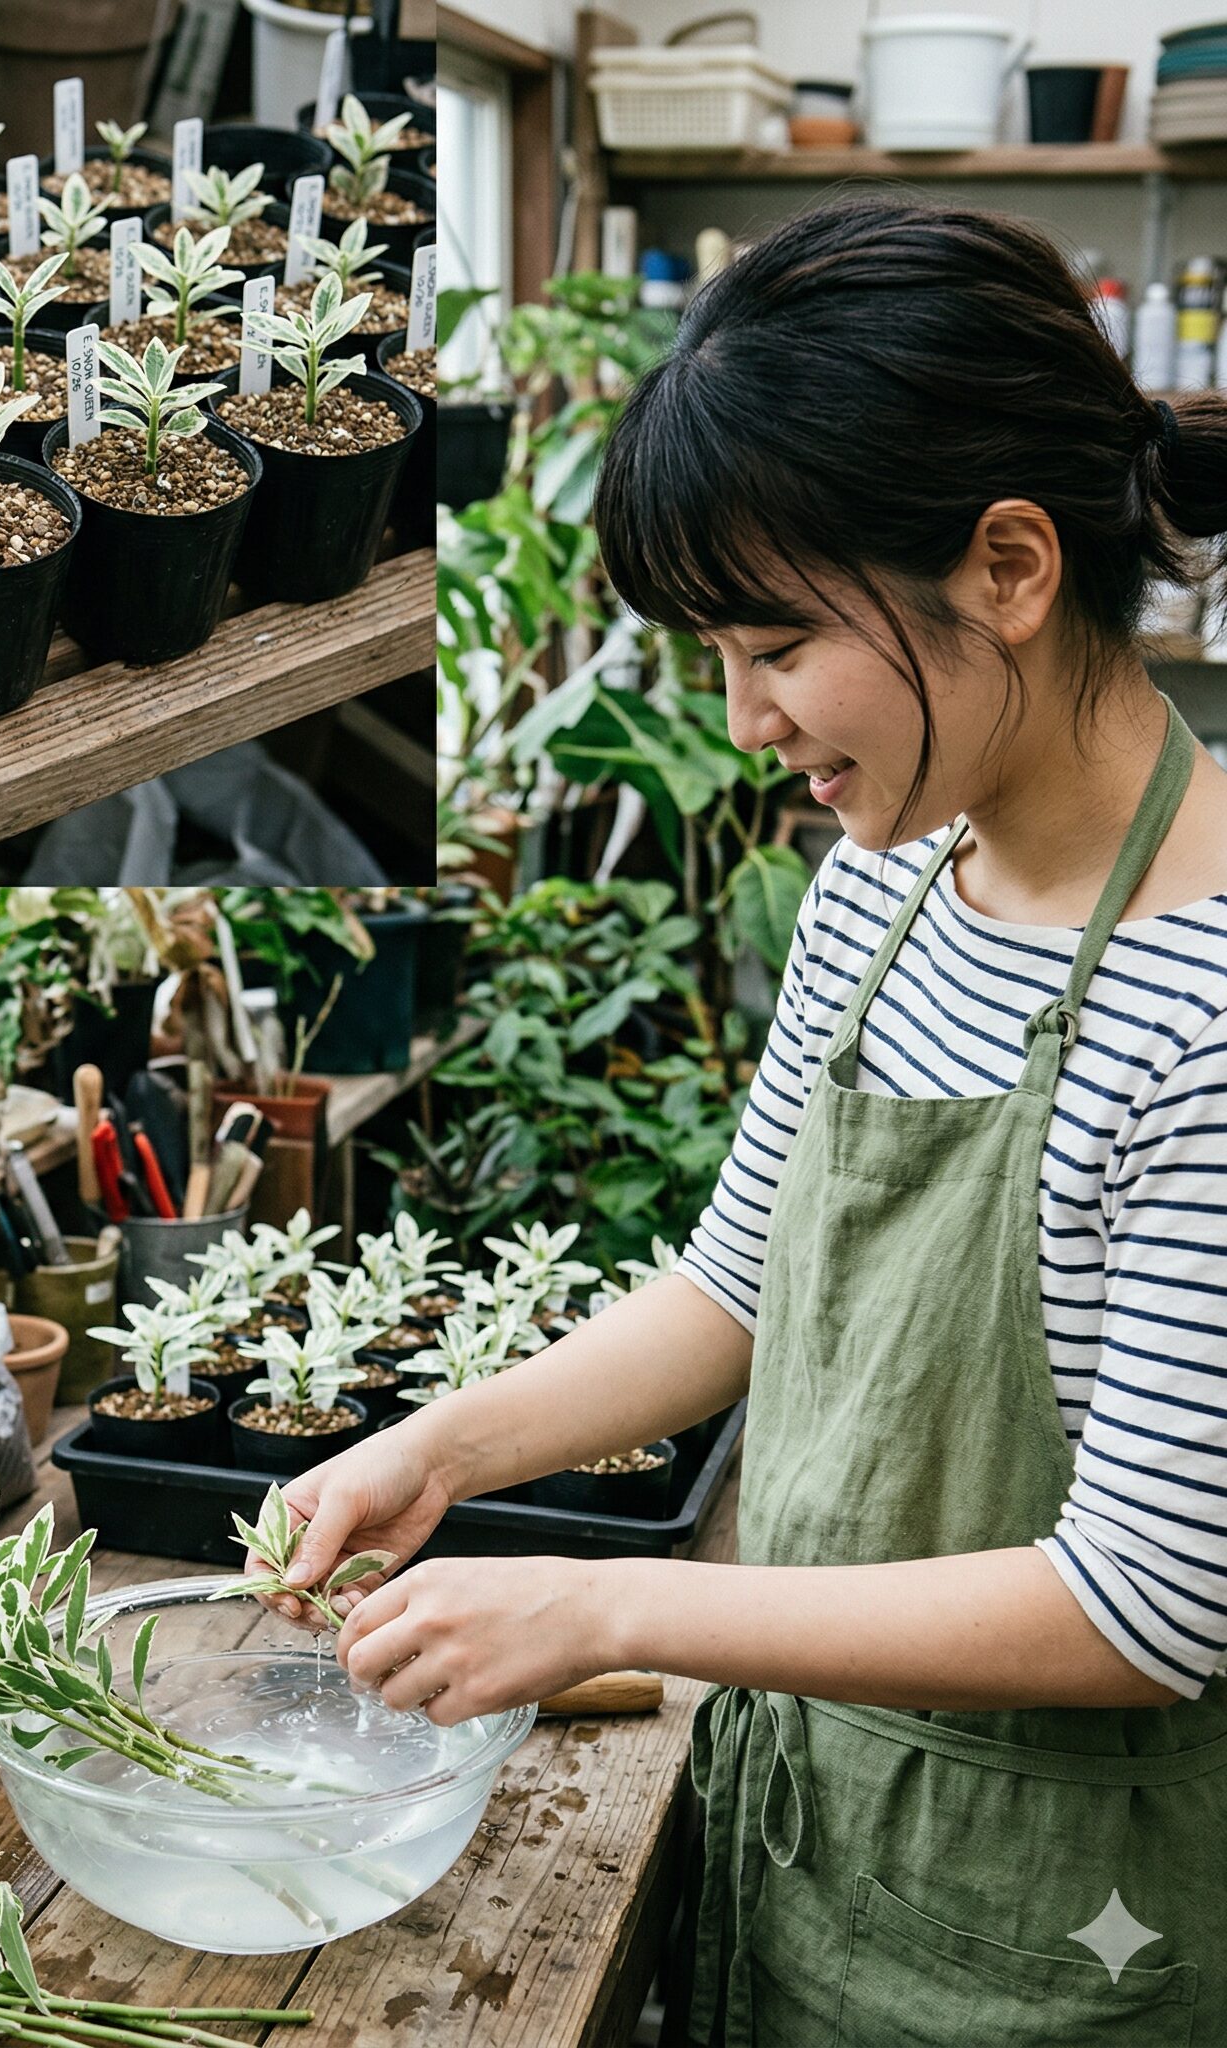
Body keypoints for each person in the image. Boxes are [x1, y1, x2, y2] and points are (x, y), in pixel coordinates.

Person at [256, 197, 1227, 2043]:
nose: (744, 716)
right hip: (816, 1824)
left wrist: (609, 1612)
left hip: (1063, 1923)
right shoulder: (887, 883)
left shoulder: (1207, 1009)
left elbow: (1142, 1608)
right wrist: (445, 1443)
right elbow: (741, 1288)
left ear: (1010, 566)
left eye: (774, 642)